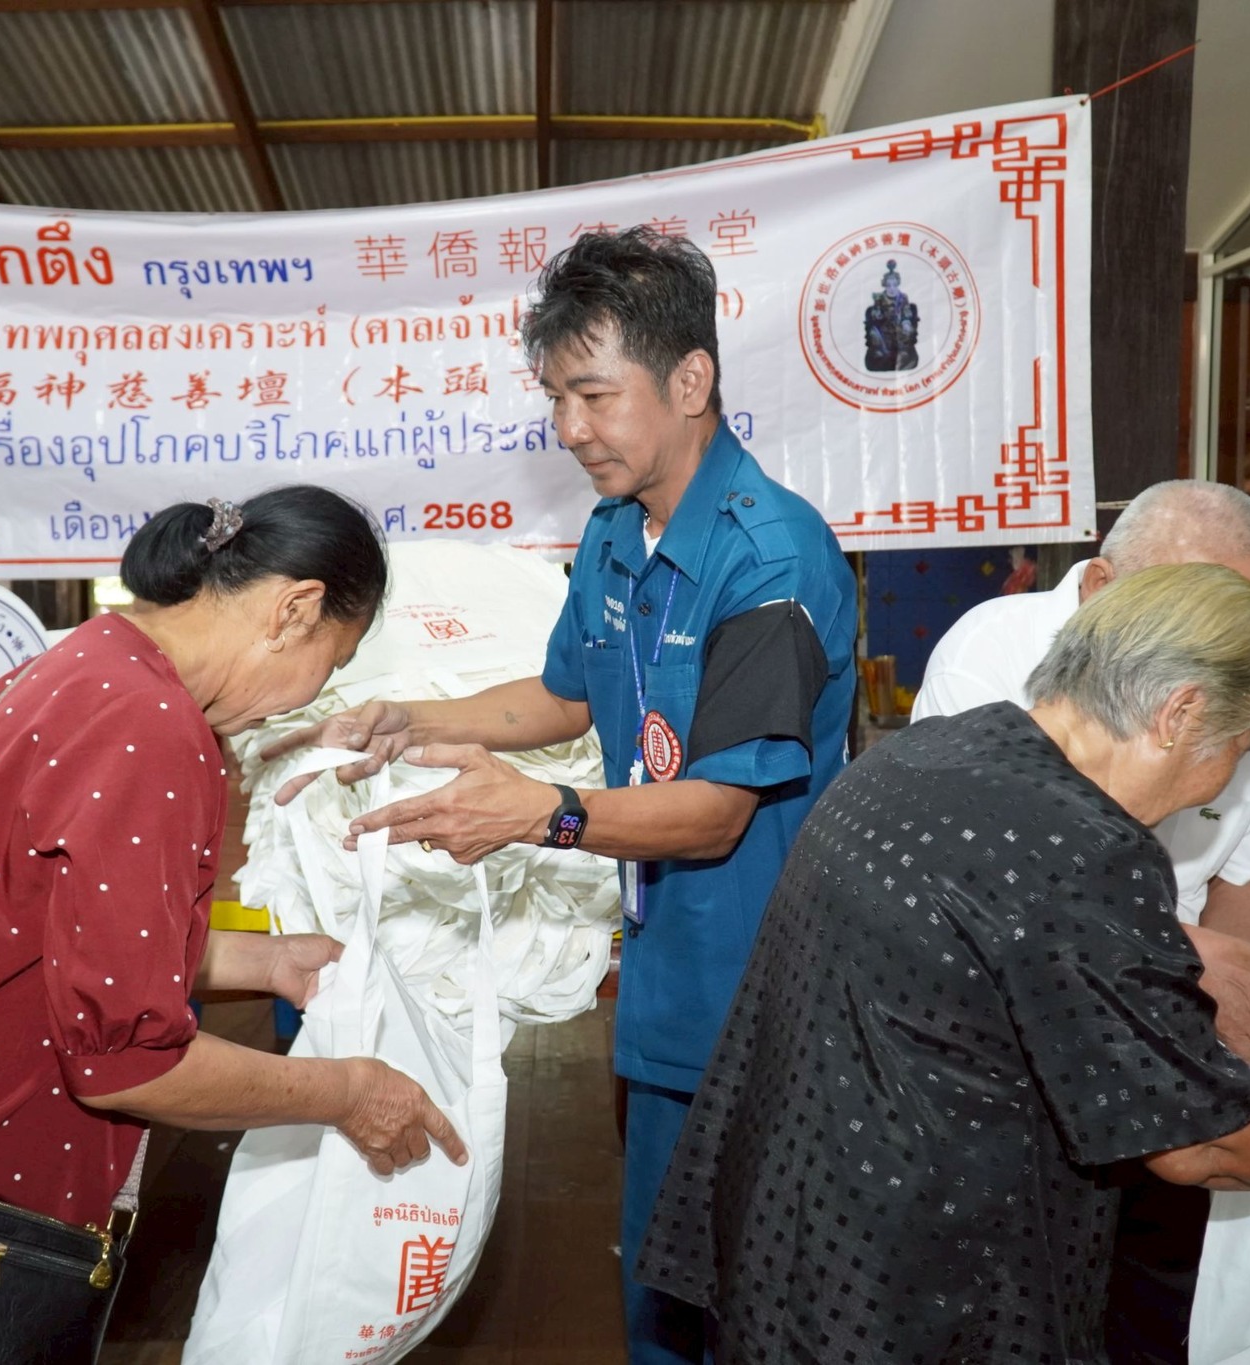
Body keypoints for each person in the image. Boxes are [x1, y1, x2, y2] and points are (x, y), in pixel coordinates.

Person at [638, 564, 1250, 1365]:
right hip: (916, 1292)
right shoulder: (1085, 850)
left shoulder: (916, 754)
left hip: (782, 1240)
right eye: (1239, 748)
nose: (1227, 779)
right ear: (1179, 714)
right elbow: (1203, 1142)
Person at [267, 227, 857, 1365]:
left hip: (761, 997)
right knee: (659, 1295)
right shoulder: (616, 532)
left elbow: (714, 812)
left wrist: (542, 816)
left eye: (593, 395)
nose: (570, 429)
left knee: (750, 1304)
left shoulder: (769, 561)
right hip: (664, 983)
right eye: (554, 399)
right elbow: (560, 695)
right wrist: (408, 720)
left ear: (690, 380)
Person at [0, 489, 467, 1304]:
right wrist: (348, 1092)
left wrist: (265, 961)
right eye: (332, 663)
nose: (310, 694)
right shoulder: (153, 725)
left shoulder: (95, 658)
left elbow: (48, 925)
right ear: (294, 610)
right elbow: (125, 1064)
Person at [913, 481, 1250, 1364]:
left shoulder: (1242, 676)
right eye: (1201, 607)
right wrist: (1180, 964)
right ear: (1103, 586)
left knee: (1163, 1304)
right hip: (1022, 1049)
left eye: (1249, 618)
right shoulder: (993, 655)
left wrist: (1219, 998)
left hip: (1179, 1021)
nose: (1231, 645)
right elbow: (1001, 893)